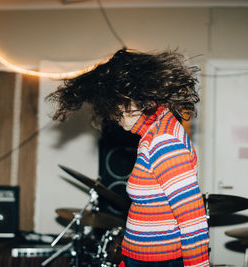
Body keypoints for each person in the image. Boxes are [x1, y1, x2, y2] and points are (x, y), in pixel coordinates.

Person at [46, 48, 210, 267]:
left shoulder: (165, 141)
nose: (113, 114)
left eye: (116, 105)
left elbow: (193, 218)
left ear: (136, 98)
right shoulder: (151, 133)